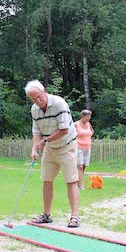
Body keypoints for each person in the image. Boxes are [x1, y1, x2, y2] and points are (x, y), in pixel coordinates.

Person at [25, 80, 81, 228]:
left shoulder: (59, 104)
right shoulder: (35, 109)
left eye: (39, 97)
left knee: (71, 180)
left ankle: (74, 217)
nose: (38, 101)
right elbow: (36, 132)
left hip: (66, 145)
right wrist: (34, 149)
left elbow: (64, 130)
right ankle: (46, 215)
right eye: (33, 99)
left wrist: (45, 141)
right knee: (47, 180)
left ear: (44, 91)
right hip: (50, 147)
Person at [75, 109, 94, 190]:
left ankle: (77, 181)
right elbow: (71, 134)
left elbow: (92, 132)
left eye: (89, 117)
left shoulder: (88, 124)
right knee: (79, 165)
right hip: (78, 146)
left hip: (87, 147)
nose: (88, 118)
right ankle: (81, 184)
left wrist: (87, 138)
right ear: (83, 116)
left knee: (84, 166)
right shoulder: (76, 124)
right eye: (87, 117)